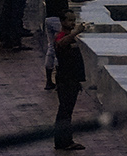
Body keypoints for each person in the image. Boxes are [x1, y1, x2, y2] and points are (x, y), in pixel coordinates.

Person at [43, 0, 96, 90]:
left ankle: (49, 80)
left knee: (51, 48)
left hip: (48, 18)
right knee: (63, 50)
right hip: (58, 20)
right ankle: (63, 79)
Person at [53, 11, 87, 150]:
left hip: (72, 80)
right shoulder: (62, 36)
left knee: (66, 112)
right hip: (65, 81)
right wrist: (76, 32)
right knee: (65, 112)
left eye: (74, 20)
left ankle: (64, 140)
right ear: (62, 22)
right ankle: (64, 141)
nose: (73, 23)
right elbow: (60, 44)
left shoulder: (69, 37)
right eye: (69, 20)